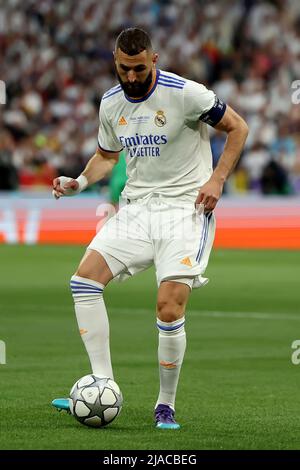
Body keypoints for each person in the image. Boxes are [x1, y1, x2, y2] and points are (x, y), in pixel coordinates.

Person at [51, 28, 248, 429]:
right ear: (115, 62)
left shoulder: (185, 92)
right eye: (124, 69)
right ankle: (102, 384)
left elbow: (238, 127)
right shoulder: (110, 103)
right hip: (138, 209)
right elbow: (106, 157)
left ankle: (165, 404)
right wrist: (80, 182)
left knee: (169, 306)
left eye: (140, 68)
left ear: (153, 60)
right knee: (83, 281)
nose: (132, 77)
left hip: (185, 210)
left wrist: (218, 179)